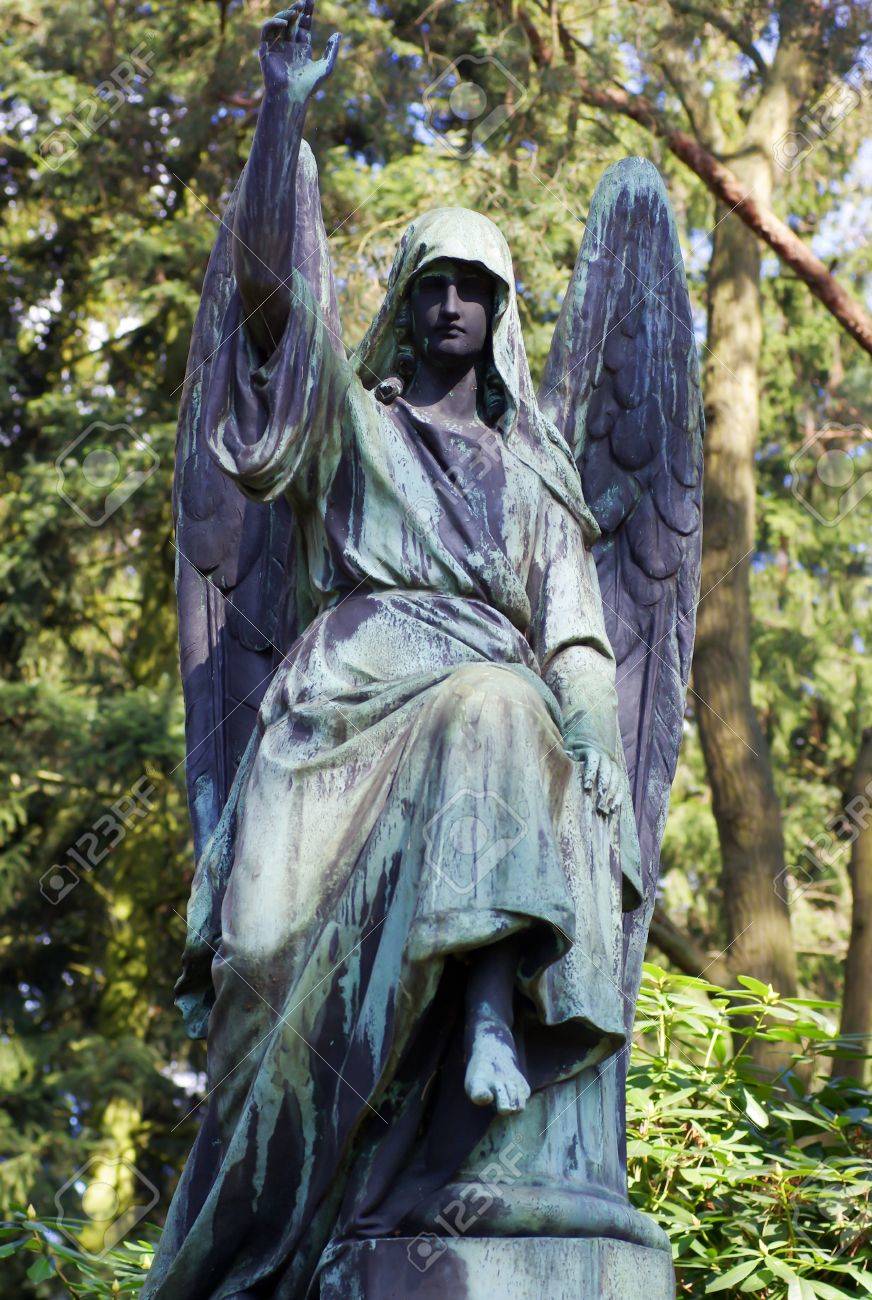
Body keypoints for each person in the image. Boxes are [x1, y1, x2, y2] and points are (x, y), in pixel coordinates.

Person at [144, 5, 641, 1295]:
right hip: (339, 714)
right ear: (407, 305)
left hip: (483, 713)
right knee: (266, 983)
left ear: (505, 311)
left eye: (479, 285)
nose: (456, 304)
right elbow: (265, 316)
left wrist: (592, 745)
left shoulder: (539, 489)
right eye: (433, 282)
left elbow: (578, 641)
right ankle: (250, 1241)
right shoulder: (352, 434)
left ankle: (485, 1008)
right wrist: (285, 110)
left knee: (498, 702)